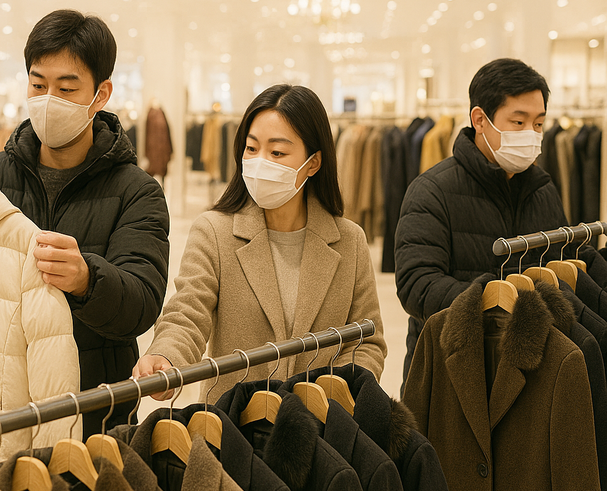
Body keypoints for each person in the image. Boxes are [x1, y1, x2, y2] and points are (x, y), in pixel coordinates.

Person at [0, 9, 169, 435]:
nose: (48, 99)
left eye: (66, 87)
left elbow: (142, 302)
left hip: (94, 405)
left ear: (101, 93)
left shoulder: (137, 191)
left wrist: (86, 279)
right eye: (38, 85)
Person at [133, 84, 386, 397]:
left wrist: (338, 394)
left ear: (313, 163)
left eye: (277, 152)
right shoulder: (214, 232)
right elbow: (187, 313)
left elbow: (366, 340)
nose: (260, 161)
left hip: (322, 430)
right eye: (252, 149)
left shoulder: (349, 241)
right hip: (231, 430)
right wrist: (166, 356)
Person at [395, 58, 567, 387]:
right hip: (448, 373)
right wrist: (499, 304)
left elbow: (559, 270)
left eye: (539, 124)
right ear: (480, 120)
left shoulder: (543, 189)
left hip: (525, 376)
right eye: (518, 122)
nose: (530, 135)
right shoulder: (432, 191)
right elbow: (417, 286)